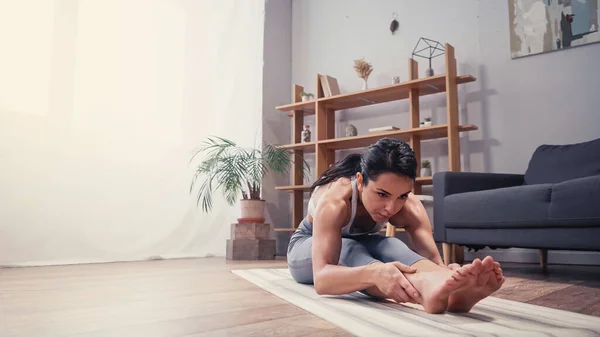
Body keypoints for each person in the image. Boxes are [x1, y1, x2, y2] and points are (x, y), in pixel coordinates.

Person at [287, 138, 504, 314]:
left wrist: (446, 275)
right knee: (351, 249)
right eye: (382, 194)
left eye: (401, 196)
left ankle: (449, 296)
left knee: (391, 244)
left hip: (356, 245)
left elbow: (432, 259)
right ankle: (422, 290)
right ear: (361, 181)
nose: (391, 208)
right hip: (305, 246)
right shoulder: (335, 202)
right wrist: (374, 274)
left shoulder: (409, 207)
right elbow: (323, 279)